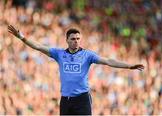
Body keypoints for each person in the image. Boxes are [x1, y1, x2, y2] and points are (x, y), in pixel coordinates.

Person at [8, 25, 144, 115]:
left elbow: (108, 61)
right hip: (66, 100)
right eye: (73, 39)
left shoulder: (87, 55)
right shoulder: (59, 54)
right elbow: (38, 46)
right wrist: (21, 37)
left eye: (78, 39)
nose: (76, 41)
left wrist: (129, 66)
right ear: (67, 40)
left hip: (82, 99)